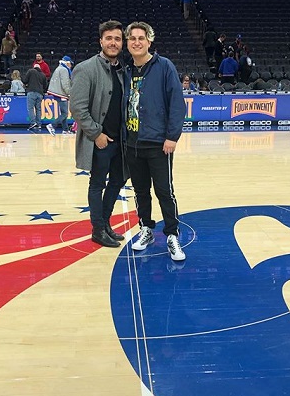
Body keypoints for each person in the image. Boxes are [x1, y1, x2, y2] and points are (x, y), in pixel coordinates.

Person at [124, 21, 186, 261]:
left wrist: (172, 136)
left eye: (141, 38)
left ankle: (172, 234)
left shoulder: (164, 66)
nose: (137, 42)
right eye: (132, 38)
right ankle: (146, 229)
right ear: (128, 43)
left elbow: (177, 104)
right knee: (140, 191)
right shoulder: (126, 70)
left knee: (164, 190)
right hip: (132, 143)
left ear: (149, 41)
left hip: (159, 143)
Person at [69, 20, 127, 248]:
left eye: (117, 39)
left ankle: (105, 224)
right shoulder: (85, 68)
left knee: (118, 180)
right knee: (97, 185)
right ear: (101, 41)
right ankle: (98, 229)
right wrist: (96, 134)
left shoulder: (122, 70)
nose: (113, 43)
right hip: (100, 142)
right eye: (109, 38)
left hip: (120, 141)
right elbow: (77, 108)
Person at [46, 55, 74, 135]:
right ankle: (52, 125)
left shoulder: (59, 68)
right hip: (61, 93)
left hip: (57, 93)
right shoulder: (64, 70)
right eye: (70, 64)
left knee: (63, 112)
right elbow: (65, 83)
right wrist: (69, 93)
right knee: (65, 113)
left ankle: (65, 130)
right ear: (67, 63)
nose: (71, 66)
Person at [25, 63, 47, 131]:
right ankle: (39, 124)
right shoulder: (43, 74)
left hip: (31, 92)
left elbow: (25, 80)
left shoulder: (31, 71)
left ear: (34, 67)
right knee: (38, 109)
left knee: (30, 108)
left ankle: (33, 122)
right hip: (40, 93)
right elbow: (45, 85)